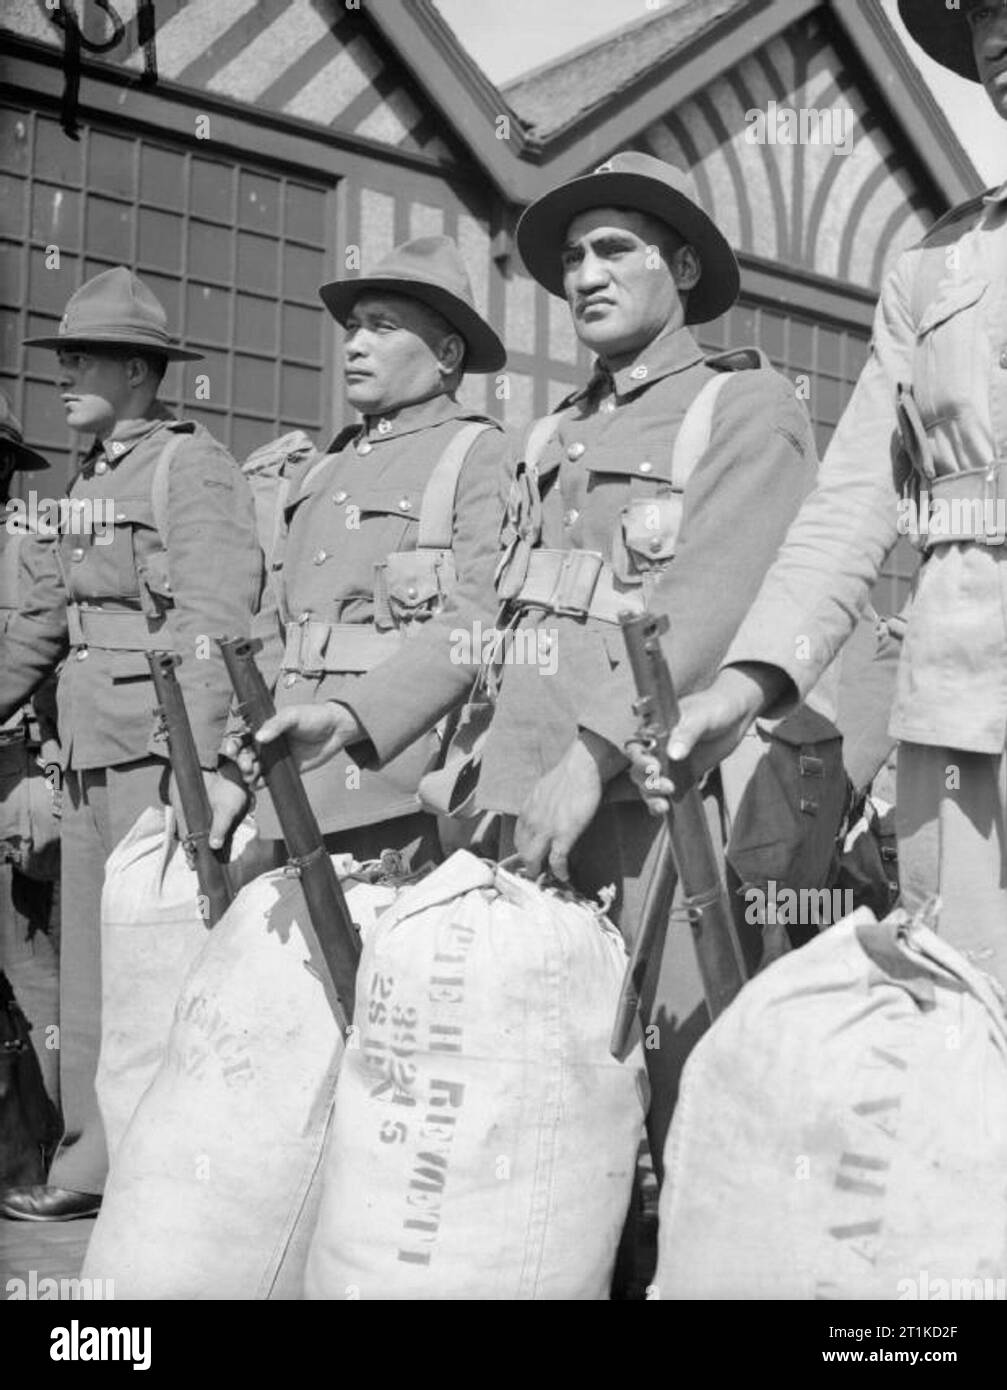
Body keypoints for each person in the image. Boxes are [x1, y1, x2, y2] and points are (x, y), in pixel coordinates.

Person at [241, 154, 845, 1165]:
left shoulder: (741, 407)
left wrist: (593, 753)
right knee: (527, 1104)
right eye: (571, 256)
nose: (585, 274)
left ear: (683, 267)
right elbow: (479, 613)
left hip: (652, 808)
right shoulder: (549, 433)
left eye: (616, 249)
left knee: (673, 1094)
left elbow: (707, 602)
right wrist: (353, 717)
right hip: (510, 796)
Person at [632, 0, 1007, 986]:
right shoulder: (934, 265)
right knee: (963, 1031)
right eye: (983, 12)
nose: (998, 33)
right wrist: (745, 684)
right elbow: (849, 501)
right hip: (960, 716)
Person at [0, 267, 262, 1221]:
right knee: (93, 974)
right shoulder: (89, 474)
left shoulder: (187, 465)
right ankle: (90, 1166)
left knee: (167, 967)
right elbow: (38, 622)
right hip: (86, 747)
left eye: (83, 358)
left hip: (157, 753)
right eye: (63, 355)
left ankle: (170, 1177)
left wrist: (189, 770)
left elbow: (215, 616)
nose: (63, 372)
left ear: (142, 373)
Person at [209, 235, 510, 868]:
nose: (354, 344)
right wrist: (236, 757)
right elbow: (275, 628)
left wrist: (357, 719)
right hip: (287, 784)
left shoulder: (478, 456)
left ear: (448, 353)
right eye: (353, 328)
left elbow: (479, 619)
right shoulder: (320, 470)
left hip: (397, 788)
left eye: (382, 327)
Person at [0, 394, 61, 1111]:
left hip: (16, 776)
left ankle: (42, 1139)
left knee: (29, 967)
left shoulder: (33, 545)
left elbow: (60, 659)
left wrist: (46, 771)